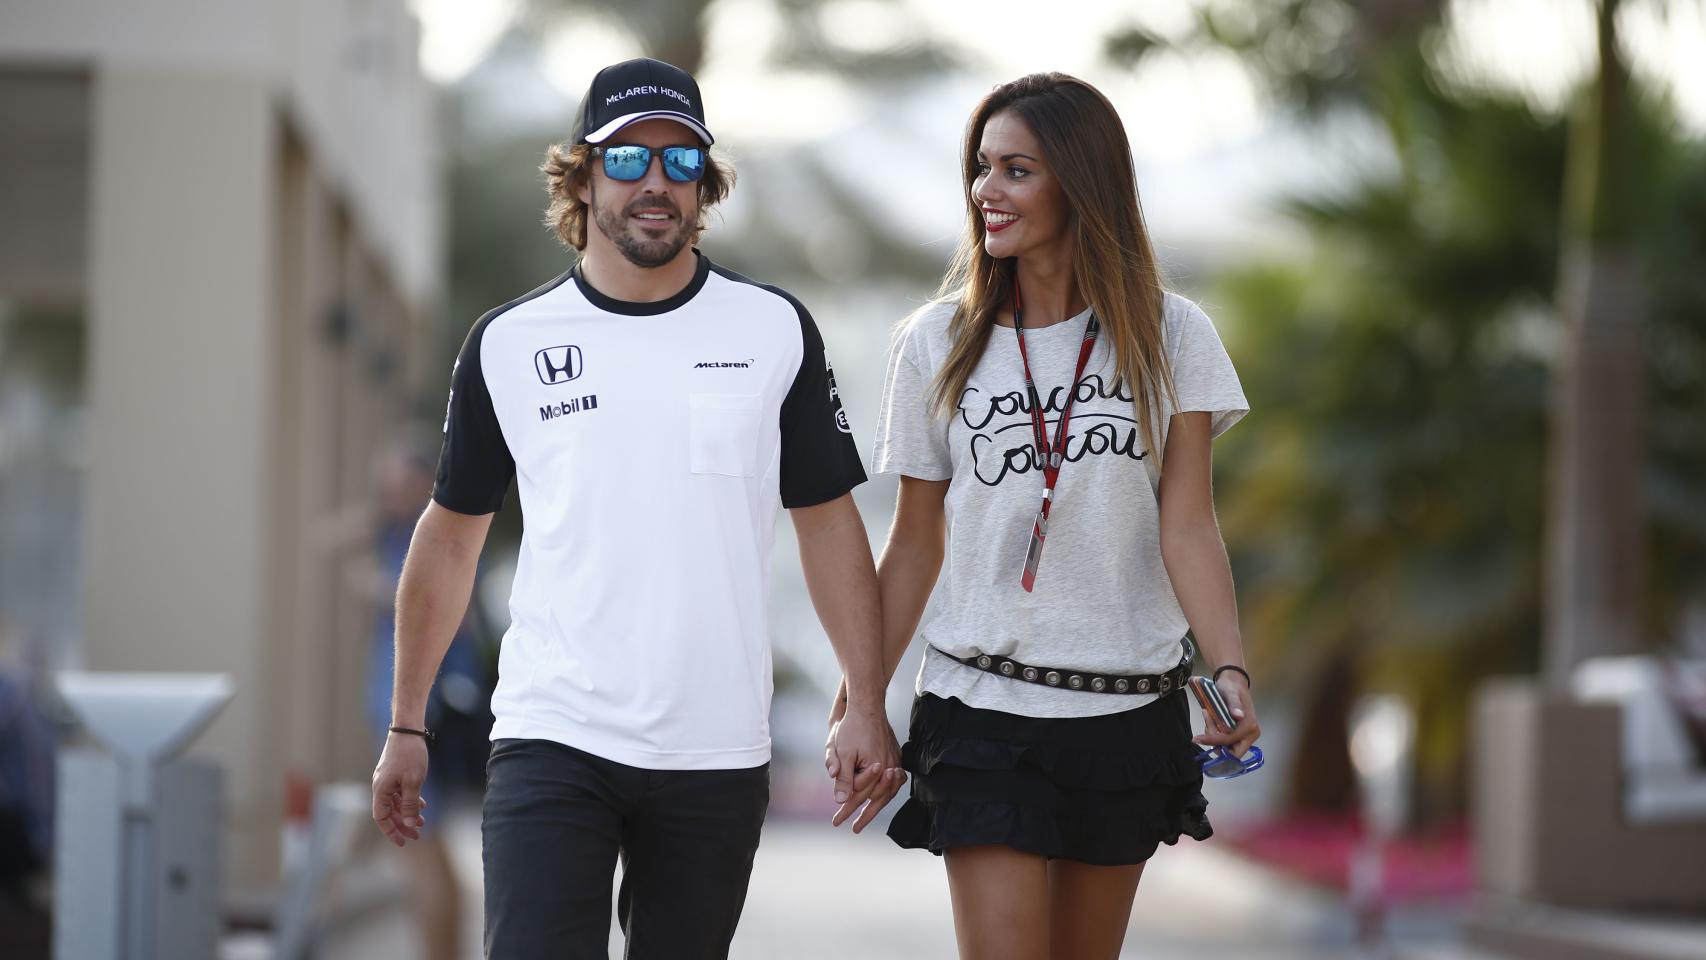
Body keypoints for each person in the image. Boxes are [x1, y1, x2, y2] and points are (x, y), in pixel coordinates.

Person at [368, 57, 902, 960]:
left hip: (716, 748)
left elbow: (827, 523)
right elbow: (450, 540)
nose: (656, 181)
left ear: (704, 182)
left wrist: (867, 701)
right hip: (552, 733)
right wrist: (405, 724)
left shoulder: (773, 329)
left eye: (680, 160)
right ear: (581, 178)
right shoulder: (509, 343)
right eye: (626, 159)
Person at [837, 72, 1263, 959]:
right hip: (980, 707)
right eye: (981, 167)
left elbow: (1188, 524)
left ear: (1080, 182)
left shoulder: (1172, 335)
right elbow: (914, 542)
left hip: (1124, 710)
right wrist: (861, 699)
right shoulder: (935, 342)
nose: (985, 191)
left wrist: (1230, 669)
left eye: (1016, 170)